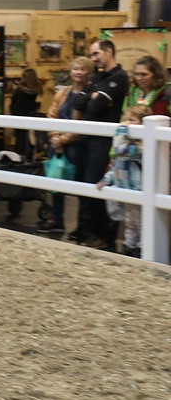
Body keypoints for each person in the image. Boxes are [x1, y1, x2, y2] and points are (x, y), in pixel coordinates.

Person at [71, 39, 129, 249]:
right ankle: (89, 233)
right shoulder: (97, 76)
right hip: (86, 139)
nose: (93, 59)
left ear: (109, 52)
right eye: (92, 55)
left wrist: (92, 98)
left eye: (96, 54)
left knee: (96, 187)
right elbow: (79, 101)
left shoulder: (120, 78)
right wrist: (92, 97)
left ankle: (104, 237)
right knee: (83, 186)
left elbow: (95, 106)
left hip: (103, 142)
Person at [38, 56, 94, 235]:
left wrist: (64, 140)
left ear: (89, 73)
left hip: (78, 146)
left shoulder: (91, 94)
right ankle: (57, 219)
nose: (78, 72)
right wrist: (55, 137)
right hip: (57, 144)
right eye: (76, 69)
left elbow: (86, 123)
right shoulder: (62, 93)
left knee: (79, 184)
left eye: (83, 69)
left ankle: (81, 226)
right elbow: (52, 115)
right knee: (56, 181)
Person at [96, 105, 151, 258]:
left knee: (141, 223)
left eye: (131, 120)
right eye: (125, 119)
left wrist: (120, 130)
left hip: (139, 189)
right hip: (126, 189)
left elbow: (120, 149)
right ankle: (129, 246)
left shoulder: (141, 147)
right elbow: (116, 167)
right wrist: (106, 179)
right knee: (129, 222)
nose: (126, 123)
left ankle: (141, 249)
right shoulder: (130, 144)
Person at [9, 67, 43, 160]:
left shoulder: (19, 90)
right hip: (31, 115)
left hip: (18, 115)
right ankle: (29, 156)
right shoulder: (38, 89)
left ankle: (18, 157)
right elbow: (38, 103)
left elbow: (13, 101)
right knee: (30, 139)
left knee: (19, 138)